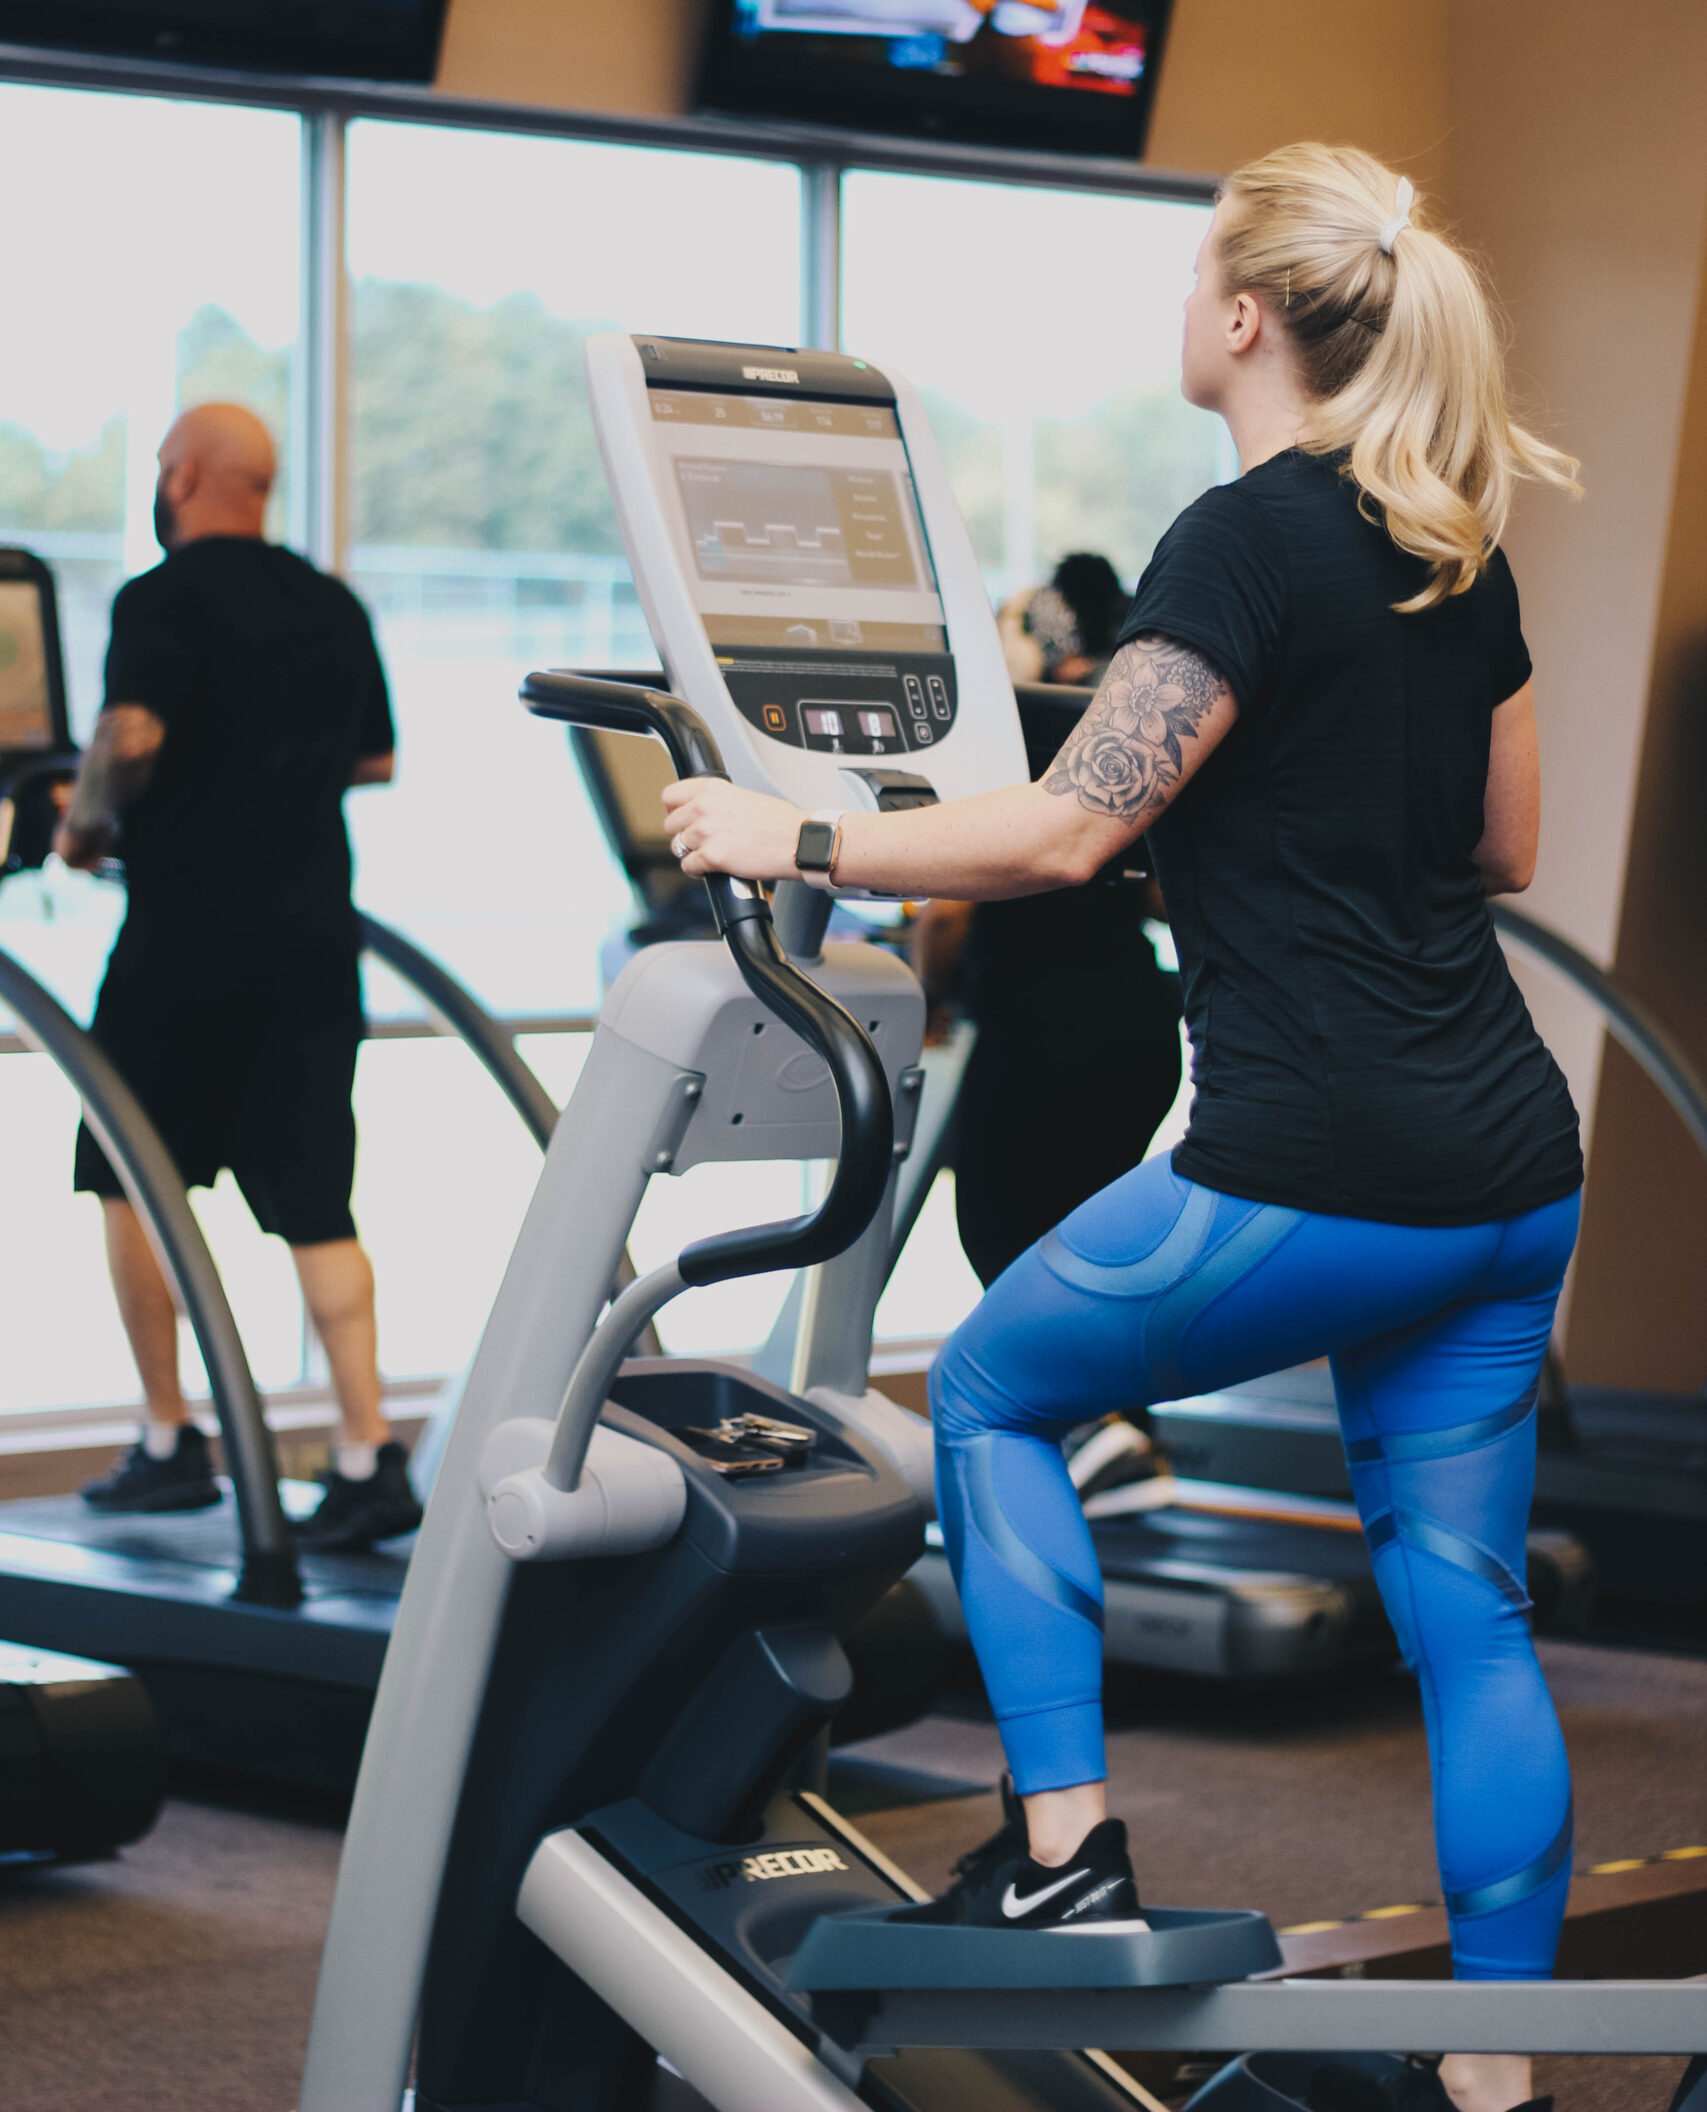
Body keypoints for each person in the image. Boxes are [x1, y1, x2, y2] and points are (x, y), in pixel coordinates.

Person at [662, 144, 1581, 2112]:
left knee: (991, 1386)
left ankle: (1067, 1860)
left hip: (1322, 1159)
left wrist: (795, 828)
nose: (1184, 307)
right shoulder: (1450, 535)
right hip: (1510, 1169)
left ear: (1245, 317)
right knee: (1462, 1606)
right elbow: (1506, 845)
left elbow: (1074, 826)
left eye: (1195, 280)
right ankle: (1503, 2075)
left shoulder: (1240, 542)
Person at [56, 402, 422, 1554]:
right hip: (314, 939)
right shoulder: (331, 602)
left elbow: (133, 735)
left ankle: (171, 1441)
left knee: (128, 1172)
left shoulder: (157, 599)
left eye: (165, 469)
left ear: (187, 475)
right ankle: (367, 1453)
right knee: (316, 1197)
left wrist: (78, 828)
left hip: (186, 943)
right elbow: (376, 757)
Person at [918, 552, 1181, 1288]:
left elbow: (949, 917)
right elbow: (1162, 896)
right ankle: (1115, 1405)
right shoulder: (1123, 733)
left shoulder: (1012, 739)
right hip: (1135, 1028)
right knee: (1101, 1267)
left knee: (1007, 1261)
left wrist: (928, 994)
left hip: (1035, 1034)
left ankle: (1056, 1406)